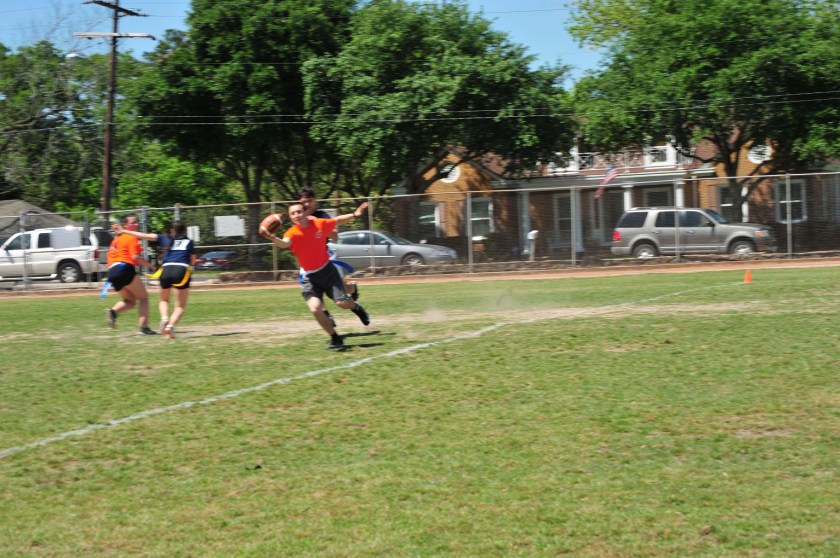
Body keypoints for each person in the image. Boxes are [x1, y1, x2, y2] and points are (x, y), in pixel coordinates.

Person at [261, 201, 371, 350]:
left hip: (327, 271)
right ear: (291, 217)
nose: (297, 215)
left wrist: (355, 214)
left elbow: (337, 221)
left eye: (299, 212)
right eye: (293, 213)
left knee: (342, 303)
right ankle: (336, 339)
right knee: (315, 308)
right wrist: (273, 238)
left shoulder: (318, 224)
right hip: (309, 277)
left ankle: (357, 307)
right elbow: (285, 243)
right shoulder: (291, 233)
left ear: (305, 213)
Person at [113, 220, 196, 340]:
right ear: (185, 230)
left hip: (165, 270)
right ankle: (170, 327)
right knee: (180, 307)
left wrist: (123, 231)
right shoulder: (189, 242)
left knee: (164, 300)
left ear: (173, 230)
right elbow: (192, 261)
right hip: (181, 270)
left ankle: (164, 319)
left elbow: (144, 236)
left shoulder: (166, 238)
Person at [297, 188, 360, 327]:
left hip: (325, 257)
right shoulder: (298, 217)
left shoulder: (322, 215)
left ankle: (353, 287)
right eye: (303, 201)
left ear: (315, 200)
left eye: (309, 200)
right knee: (314, 289)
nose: (307, 204)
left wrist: (319, 224)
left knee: (341, 289)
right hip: (307, 262)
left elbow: (335, 236)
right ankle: (326, 315)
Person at [104, 214, 157, 335]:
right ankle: (144, 327)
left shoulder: (117, 238)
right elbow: (135, 257)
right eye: (133, 223)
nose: (136, 224)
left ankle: (113, 312)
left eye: (136, 222)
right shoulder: (130, 236)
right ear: (125, 226)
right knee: (143, 298)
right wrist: (150, 265)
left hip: (112, 272)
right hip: (124, 268)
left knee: (130, 301)